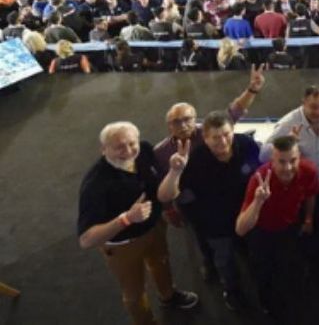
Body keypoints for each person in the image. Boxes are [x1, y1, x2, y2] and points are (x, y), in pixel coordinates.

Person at [77, 122, 199, 325]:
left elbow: (162, 193)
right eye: (118, 147)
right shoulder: (95, 184)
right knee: (134, 292)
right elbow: (86, 240)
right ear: (103, 149)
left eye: (131, 143)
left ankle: (168, 296)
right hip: (123, 246)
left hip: (155, 227)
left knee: (161, 263)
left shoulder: (145, 150)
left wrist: (175, 172)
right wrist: (126, 219)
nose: (127, 151)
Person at [153, 65, 265, 279]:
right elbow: (161, 183)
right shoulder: (161, 152)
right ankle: (209, 263)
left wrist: (252, 90)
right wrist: (168, 209)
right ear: (169, 125)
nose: (184, 125)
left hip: (222, 193)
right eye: (177, 121)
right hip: (191, 201)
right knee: (203, 236)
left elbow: (234, 111)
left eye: (188, 119)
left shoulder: (209, 130)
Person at [157, 111, 260, 312]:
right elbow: (167, 195)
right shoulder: (195, 160)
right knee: (225, 261)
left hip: (245, 215)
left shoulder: (247, 145)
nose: (222, 141)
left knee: (248, 251)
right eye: (215, 137)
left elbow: (259, 172)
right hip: (215, 223)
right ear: (204, 138)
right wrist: (175, 171)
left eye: (226, 134)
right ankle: (231, 291)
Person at [235, 135, 319, 317]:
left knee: (287, 266)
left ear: (300, 157)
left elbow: (311, 196)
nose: (287, 167)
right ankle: (267, 304)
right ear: (272, 160)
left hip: (289, 228)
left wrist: (309, 219)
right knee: (263, 272)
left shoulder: (309, 171)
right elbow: (240, 229)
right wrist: (258, 201)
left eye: (293, 160)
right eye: (281, 162)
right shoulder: (258, 180)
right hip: (262, 232)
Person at [260, 86, 319, 238]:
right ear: (303, 103)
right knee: (297, 227)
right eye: (313, 107)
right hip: (299, 186)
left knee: (318, 220)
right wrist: (289, 141)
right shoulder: (288, 123)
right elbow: (263, 155)